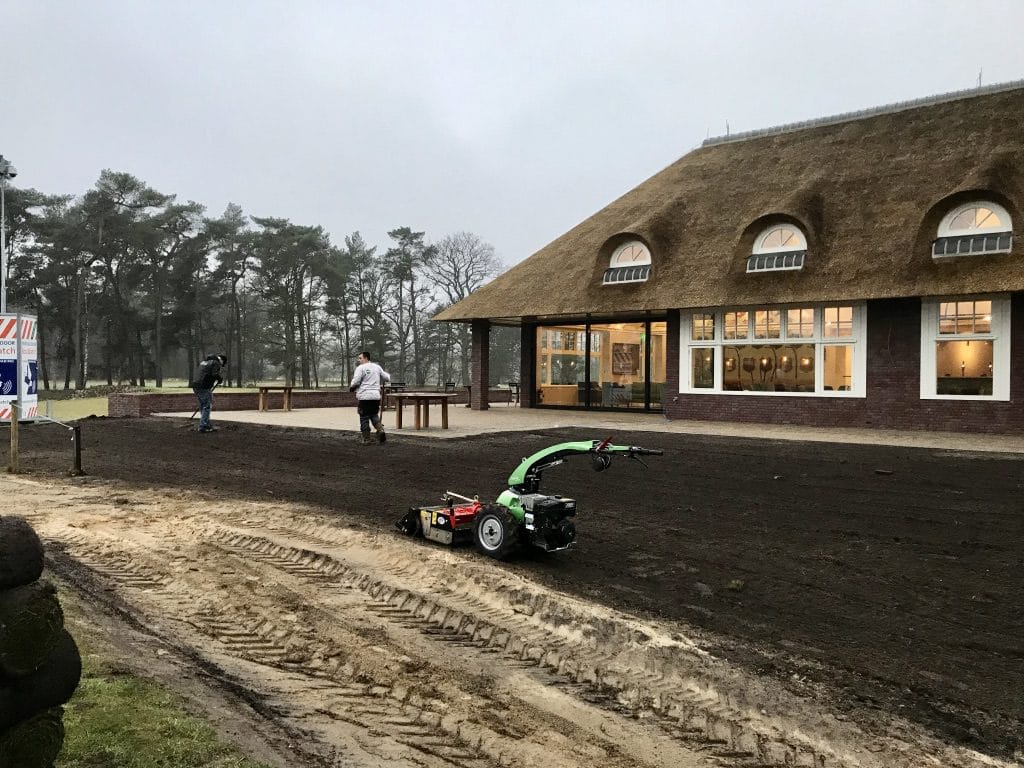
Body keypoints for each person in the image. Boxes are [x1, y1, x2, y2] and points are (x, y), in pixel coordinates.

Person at [349, 351, 390, 444]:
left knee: (364, 417)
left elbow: (356, 381)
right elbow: (387, 378)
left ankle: (366, 438)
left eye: (360, 358)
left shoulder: (360, 368)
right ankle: (380, 430)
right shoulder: (377, 367)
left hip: (365, 396)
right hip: (375, 396)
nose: (359, 360)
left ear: (366, 358)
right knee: (374, 415)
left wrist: (352, 387)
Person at [192, 354, 227, 433]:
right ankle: (203, 426)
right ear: (221, 360)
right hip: (204, 386)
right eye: (222, 364)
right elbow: (215, 374)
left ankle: (206, 424)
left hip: (195, 385)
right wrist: (220, 379)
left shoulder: (205, 362)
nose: (221, 366)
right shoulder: (216, 362)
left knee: (203, 406)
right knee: (207, 406)